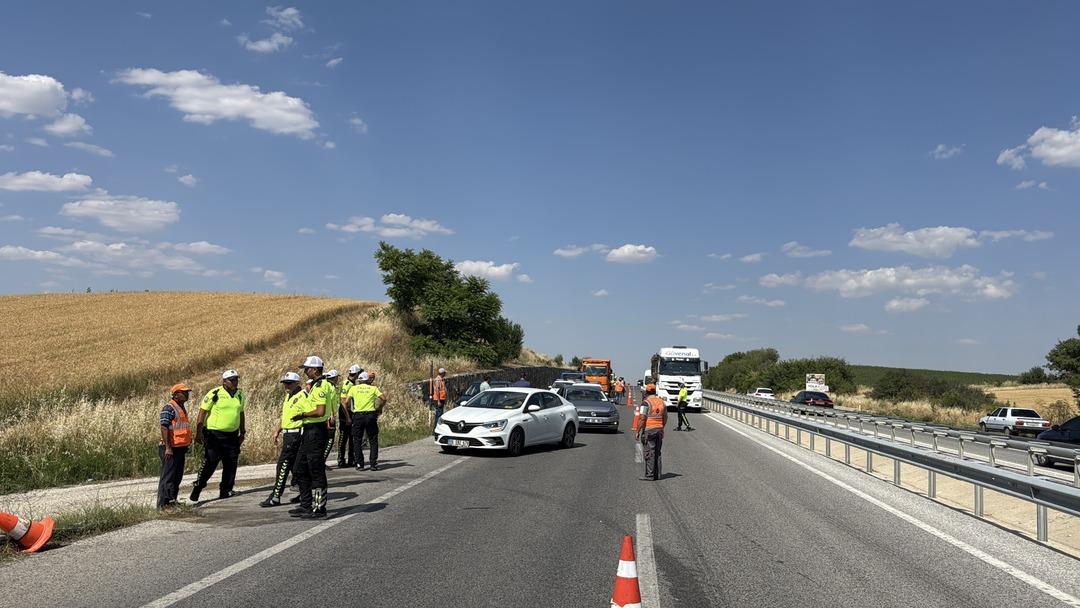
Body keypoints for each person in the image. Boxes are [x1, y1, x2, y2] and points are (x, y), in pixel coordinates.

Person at [190, 370, 245, 502]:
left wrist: (242, 432)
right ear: (224, 381)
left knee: (231, 463)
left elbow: (241, 413)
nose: (235, 382)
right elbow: (203, 412)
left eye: (236, 379)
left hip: (232, 435)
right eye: (232, 380)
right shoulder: (215, 393)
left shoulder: (240, 394)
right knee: (210, 463)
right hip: (215, 435)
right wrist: (198, 432)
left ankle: (225, 490)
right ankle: (198, 487)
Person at [289, 356, 331, 519]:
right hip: (308, 430)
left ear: (315, 369)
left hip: (316, 430)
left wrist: (303, 415)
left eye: (307, 369)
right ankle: (306, 504)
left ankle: (320, 508)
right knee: (300, 467)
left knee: (316, 470)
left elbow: (320, 411)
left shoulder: (321, 386)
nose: (305, 371)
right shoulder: (314, 386)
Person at [260, 373, 310, 508]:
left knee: (283, 465)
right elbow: (286, 417)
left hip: (296, 434)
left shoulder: (303, 396)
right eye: (284, 383)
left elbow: (309, 414)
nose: (286, 386)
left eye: (289, 383)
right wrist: (278, 430)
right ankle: (304, 493)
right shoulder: (288, 396)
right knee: (296, 467)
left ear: (296, 383)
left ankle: (276, 496)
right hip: (288, 433)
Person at [157, 383, 194, 509]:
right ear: (175, 394)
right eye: (183, 392)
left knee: (177, 477)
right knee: (167, 477)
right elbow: (164, 427)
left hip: (180, 449)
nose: (186, 394)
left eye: (187, 392)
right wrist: (168, 448)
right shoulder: (169, 408)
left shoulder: (181, 407)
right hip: (170, 449)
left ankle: (172, 502)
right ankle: (163, 505)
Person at [344, 371, 387, 471]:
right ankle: (373, 464)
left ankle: (360, 464)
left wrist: (350, 413)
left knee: (357, 440)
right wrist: (379, 408)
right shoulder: (373, 388)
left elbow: (346, 402)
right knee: (373, 439)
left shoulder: (353, 388)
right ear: (368, 380)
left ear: (359, 380)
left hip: (358, 415)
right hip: (370, 415)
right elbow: (384, 399)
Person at [636, 383, 667, 481]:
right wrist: (661, 427)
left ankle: (650, 475)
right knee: (657, 452)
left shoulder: (646, 403)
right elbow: (665, 417)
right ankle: (658, 474)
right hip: (659, 430)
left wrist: (638, 431)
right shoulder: (661, 402)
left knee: (649, 452)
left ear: (646, 392)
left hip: (649, 430)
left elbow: (642, 418)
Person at [337, 364, 362, 468]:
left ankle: (351, 460)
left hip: (350, 412)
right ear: (356, 374)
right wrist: (348, 417)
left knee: (352, 437)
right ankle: (341, 460)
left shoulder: (351, 383)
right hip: (345, 413)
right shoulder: (348, 384)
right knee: (344, 437)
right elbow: (343, 402)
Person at [322, 369, 341, 465]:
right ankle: (322, 460)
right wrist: (332, 415)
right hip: (329, 417)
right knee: (329, 440)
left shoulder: (323, 385)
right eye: (337, 378)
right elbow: (331, 403)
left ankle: (321, 461)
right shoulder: (331, 388)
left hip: (324, 417)